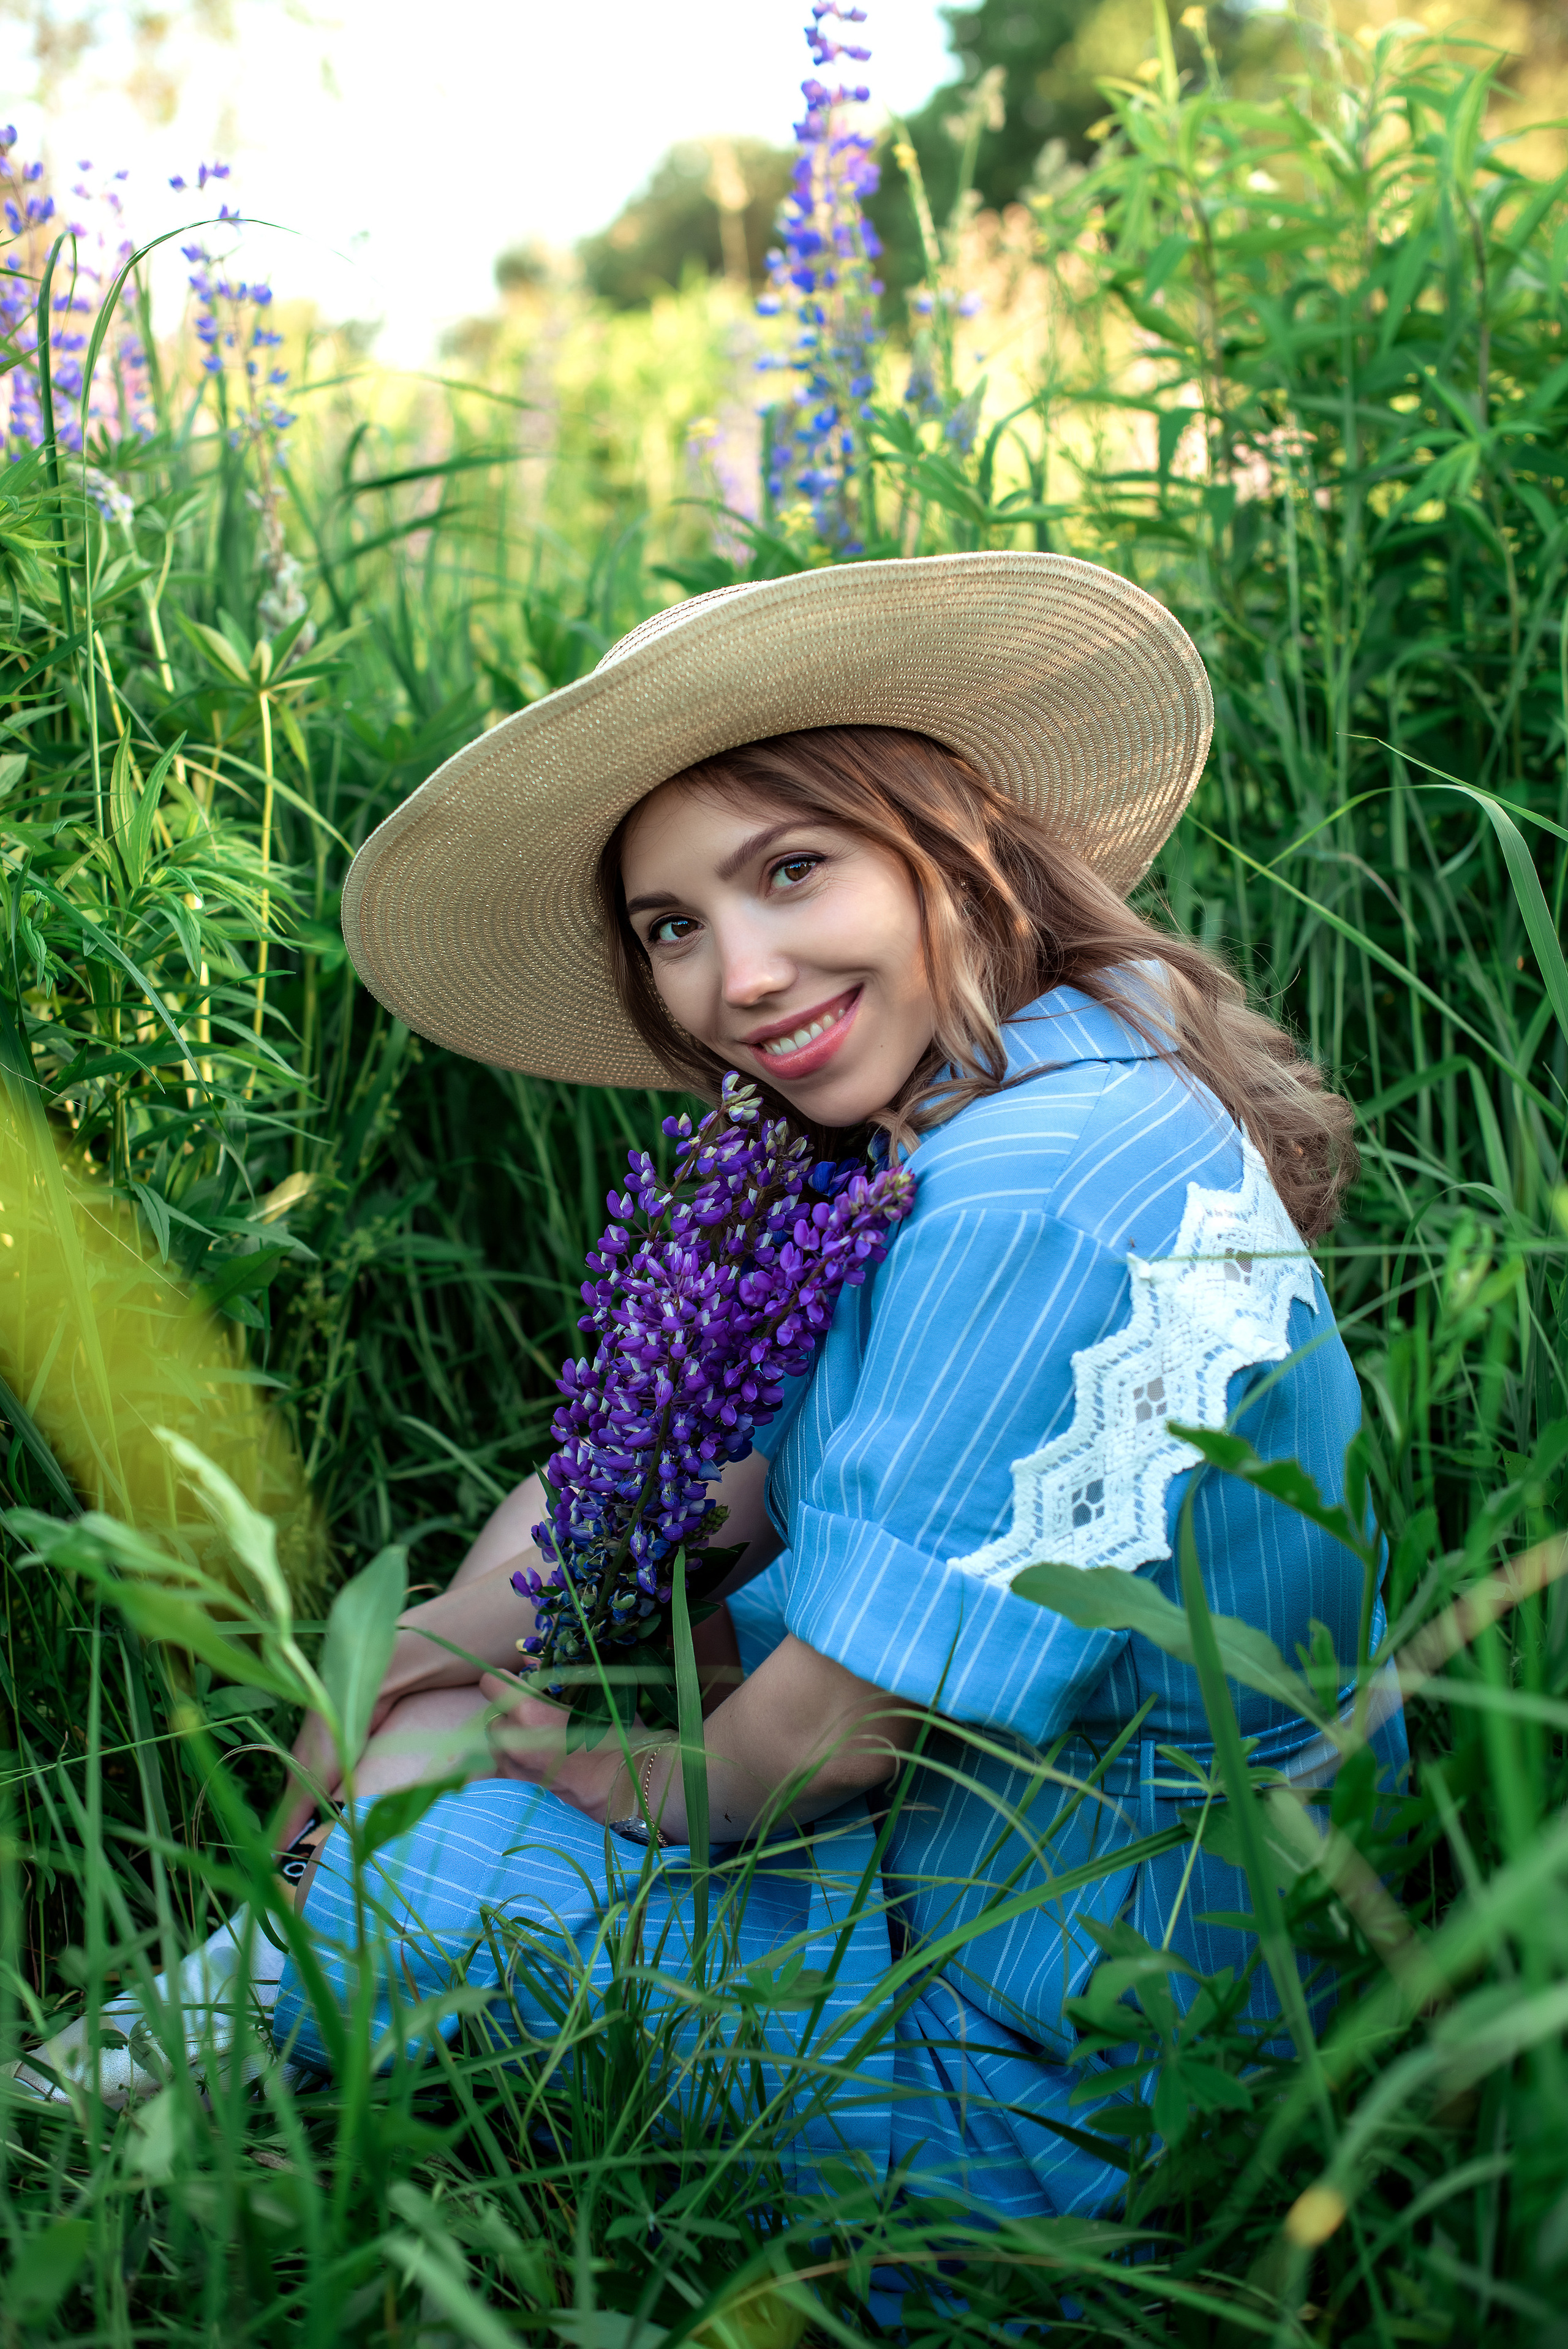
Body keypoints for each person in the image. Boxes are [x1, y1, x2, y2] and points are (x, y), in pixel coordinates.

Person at [17, 554, 1404, 2226]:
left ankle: (86, 2130)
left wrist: (606, 1777)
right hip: (993, 1923)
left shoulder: (1038, 1182)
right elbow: (672, 1479)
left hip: (1081, 2098)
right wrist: (412, 1656)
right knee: (436, 1748)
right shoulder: (1017, 1072)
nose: (736, 977)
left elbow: (817, 1739)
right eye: (675, 926)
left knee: (422, 1848)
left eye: (792, 870)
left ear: (952, 843)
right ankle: (204, 2069)